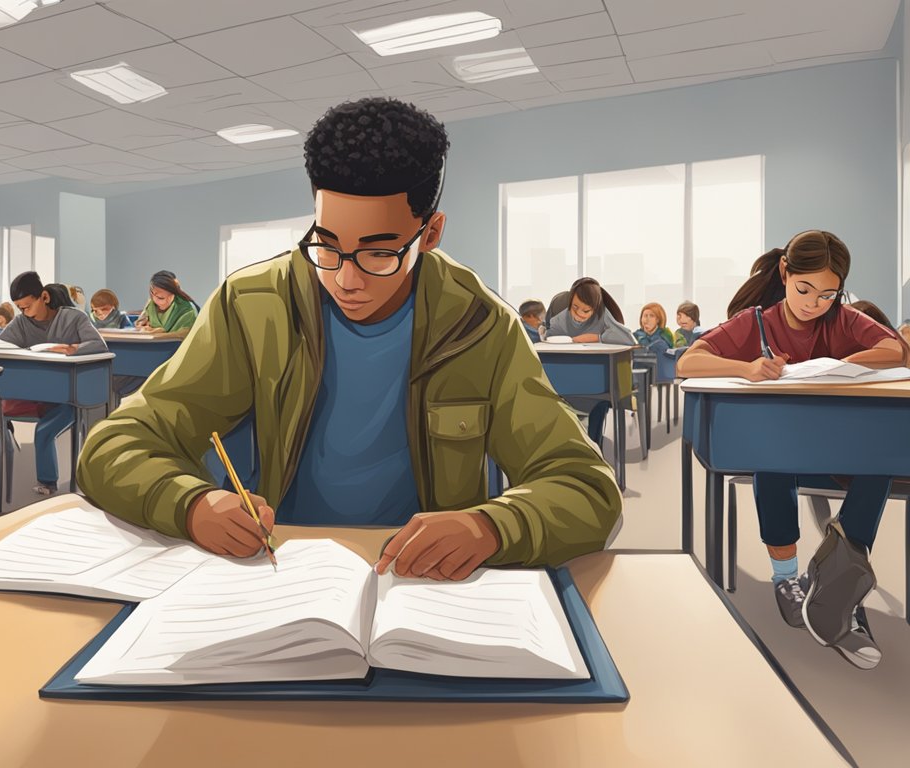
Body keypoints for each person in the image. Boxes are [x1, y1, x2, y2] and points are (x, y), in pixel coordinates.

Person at [78, 96, 620, 582]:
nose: (347, 279)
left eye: (380, 252)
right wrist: (190, 504)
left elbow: (587, 487)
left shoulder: (479, 324)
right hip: (278, 574)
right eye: (327, 245)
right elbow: (112, 446)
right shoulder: (251, 305)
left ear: (429, 234)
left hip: (422, 584)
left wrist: (492, 527)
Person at [676, 231, 906, 669]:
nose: (814, 303)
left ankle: (838, 584)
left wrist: (844, 365)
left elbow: (895, 349)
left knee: (880, 461)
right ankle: (789, 580)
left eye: (828, 294)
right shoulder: (756, 322)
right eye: (804, 289)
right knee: (772, 459)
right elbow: (689, 361)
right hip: (783, 447)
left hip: (838, 449)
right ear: (785, 273)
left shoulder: (842, 319)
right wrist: (745, 367)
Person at [0, 272, 108, 495]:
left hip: (68, 397)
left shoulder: (73, 318)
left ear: (44, 297)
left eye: (27, 306)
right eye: (20, 308)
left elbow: (100, 345)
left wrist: (73, 349)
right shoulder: (21, 323)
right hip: (34, 394)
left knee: (44, 430)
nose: (24, 312)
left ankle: (48, 482)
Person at [546, 278, 635, 446]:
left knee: (598, 404)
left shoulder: (602, 316)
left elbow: (628, 338)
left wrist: (597, 337)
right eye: (575, 307)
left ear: (595, 309)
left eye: (586, 311)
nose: (579, 315)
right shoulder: (559, 319)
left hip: (595, 382)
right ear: (570, 300)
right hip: (564, 379)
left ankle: (594, 446)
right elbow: (550, 339)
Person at [136, 271, 198, 337]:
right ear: (151, 293)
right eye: (160, 298)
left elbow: (184, 336)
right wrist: (144, 328)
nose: (166, 301)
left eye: (161, 298)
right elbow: (140, 323)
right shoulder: (150, 305)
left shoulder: (187, 310)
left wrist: (157, 332)